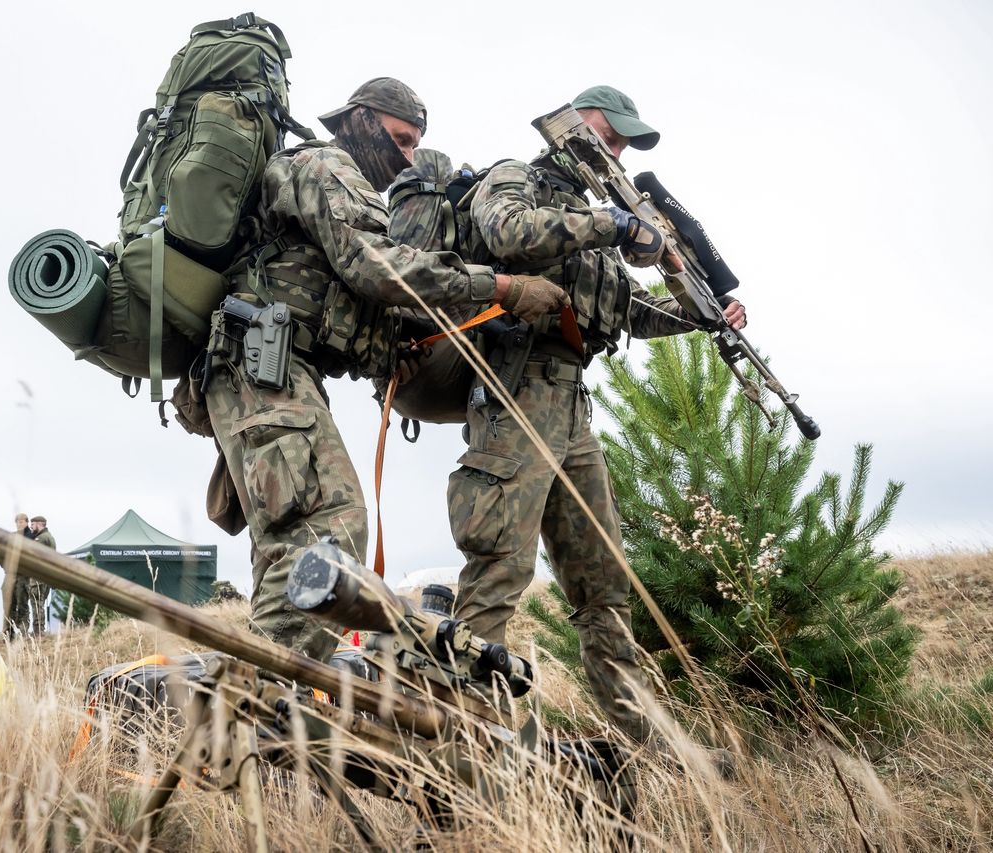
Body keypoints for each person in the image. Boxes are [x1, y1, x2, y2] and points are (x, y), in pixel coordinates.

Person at [199, 77, 566, 664]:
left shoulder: (328, 179)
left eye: (415, 144)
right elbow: (378, 268)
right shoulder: (324, 164)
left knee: (290, 545)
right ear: (361, 121)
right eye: (399, 139)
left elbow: (328, 302)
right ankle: (259, 695)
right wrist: (500, 286)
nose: (407, 157)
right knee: (331, 526)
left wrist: (388, 349)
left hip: (270, 367)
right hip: (261, 364)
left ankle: (263, 700)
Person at [443, 85, 747, 743]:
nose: (615, 155)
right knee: (497, 569)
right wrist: (613, 224)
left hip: (570, 403)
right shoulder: (518, 179)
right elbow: (505, 231)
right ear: (576, 128)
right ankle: (469, 741)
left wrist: (700, 315)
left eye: (621, 146)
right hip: (515, 391)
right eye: (610, 139)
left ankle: (648, 745)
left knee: (602, 585)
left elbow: (628, 311)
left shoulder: (592, 214)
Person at [5, 513, 35, 640]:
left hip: (23, 575)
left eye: (21, 521)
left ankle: (23, 632)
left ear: (26, 522)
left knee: (22, 603)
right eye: (17, 521)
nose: (19, 524)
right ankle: (8, 635)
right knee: (9, 606)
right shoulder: (12, 536)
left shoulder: (30, 536)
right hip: (11, 574)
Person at [28, 515, 56, 635]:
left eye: (32, 524)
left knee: (37, 604)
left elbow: (32, 555)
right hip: (45, 576)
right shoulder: (49, 537)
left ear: (39, 524)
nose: (31, 527)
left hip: (38, 577)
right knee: (39, 604)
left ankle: (38, 631)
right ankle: (40, 630)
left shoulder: (41, 538)